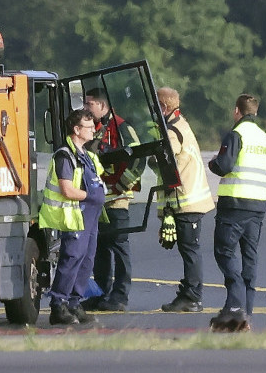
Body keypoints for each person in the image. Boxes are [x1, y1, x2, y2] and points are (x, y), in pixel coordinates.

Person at [206, 94, 266, 332]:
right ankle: (246, 311)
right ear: (255, 112)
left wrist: (213, 163)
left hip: (235, 203)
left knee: (224, 251)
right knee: (249, 258)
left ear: (237, 110)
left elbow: (224, 166)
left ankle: (235, 304)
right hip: (258, 205)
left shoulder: (236, 134)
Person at [39, 109, 106, 325]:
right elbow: (67, 190)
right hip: (75, 215)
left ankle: (75, 304)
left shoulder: (87, 156)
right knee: (71, 258)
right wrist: (91, 196)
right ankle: (58, 305)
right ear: (76, 130)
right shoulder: (65, 156)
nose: (94, 130)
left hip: (90, 216)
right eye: (89, 127)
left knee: (87, 260)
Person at [82, 87, 144, 312]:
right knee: (99, 250)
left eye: (89, 104)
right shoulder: (94, 129)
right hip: (98, 201)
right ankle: (100, 293)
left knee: (119, 248)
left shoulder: (122, 127)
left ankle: (119, 296)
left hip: (117, 201)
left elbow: (139, 160)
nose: (86, 108)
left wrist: (121, 185)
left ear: (102, 105)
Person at [155, 88, 215, 313]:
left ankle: (192, 296)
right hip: (188, 201)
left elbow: (166, 164)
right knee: (189, 249)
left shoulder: (172, 131)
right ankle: (191, 292)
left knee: (190, 250)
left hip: (186, 202)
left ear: (163, 107)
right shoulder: (181, 125)